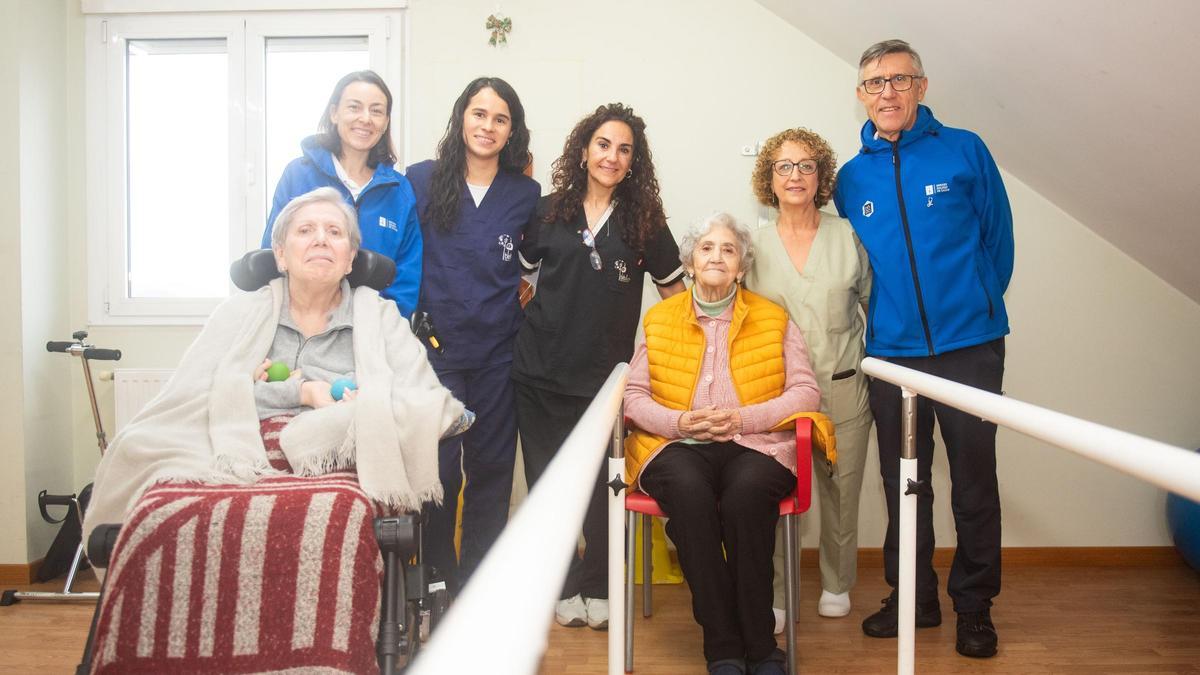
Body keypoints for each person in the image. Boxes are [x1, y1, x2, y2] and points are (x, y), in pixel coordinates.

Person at [81, 188, 466, 672]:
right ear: (280, 253)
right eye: (305, 231)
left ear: (352, 258)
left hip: (333, 460)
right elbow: (195, 393)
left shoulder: (380, 317)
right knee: (163, 506)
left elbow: (417, 397)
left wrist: (348, 401)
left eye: (335, 233)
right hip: (233, 448)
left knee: (338, 513)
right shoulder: (239, 314)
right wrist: (302, 393)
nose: (320, 241)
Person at [833, 39, 1014, 658]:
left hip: (969, 348)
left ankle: (974, 607)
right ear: (861, 95)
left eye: (899, 80)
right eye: (875, 82)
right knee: (903, 481)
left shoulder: (965, 150)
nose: (887, 91)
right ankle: (914, 597)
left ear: (922, 87)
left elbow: (997, 241)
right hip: (892, 355)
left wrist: (977, 307)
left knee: (973, 481)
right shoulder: (851, 177)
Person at [513, 103, 686, 631]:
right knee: (547, 485)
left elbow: (675, 297)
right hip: (538, 374)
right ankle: (562, 585)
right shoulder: (547, 211)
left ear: (634, 161)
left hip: (606, 381)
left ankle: (600, 586)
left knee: (601, 486)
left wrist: (658, 365)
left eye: (624, 149)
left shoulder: (645, 222)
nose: (612, 156)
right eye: (604, 144)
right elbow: (519, 283)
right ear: (585, 149)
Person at [624, 212, 820, 675]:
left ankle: (760, 646)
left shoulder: (773, 318)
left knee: (746, 500)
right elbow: (633, 396)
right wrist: (680, 422)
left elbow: (805, 391)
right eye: (707, 248)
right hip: (675, 447)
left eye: (728, 249)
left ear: (741, 266)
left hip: (756, 445)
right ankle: (723, 646)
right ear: (690, 262)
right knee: (690, 499)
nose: (717, 256)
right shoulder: (658, 318)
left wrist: (742, 418)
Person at [404, 77, 540, 594]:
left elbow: (531, 266)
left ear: (512, 131)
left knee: (492, 470)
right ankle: (438, 575)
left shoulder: (525, 194)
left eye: (500, 118)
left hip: (498, 354)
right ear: (462, 117)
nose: (488, 126)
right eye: (479, 114)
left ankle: (481, 582)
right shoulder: (420, 180)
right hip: (434, 352)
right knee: (439, 472)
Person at [743, 128, 873, 624]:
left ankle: (838, 583)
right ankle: (777, 593)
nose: (794, 175)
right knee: (771, 494)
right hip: (777, 396)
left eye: (805, 166)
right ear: (769, 178)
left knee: (843, 491)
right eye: (783, 166)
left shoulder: (848, 236)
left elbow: (873, 306)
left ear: (820, 177)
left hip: (843, 385)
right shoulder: (752, 247)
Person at [262, 70, 422, 317]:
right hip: (301, 326)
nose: (365, 119)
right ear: (334, 113)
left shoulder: (399, 191)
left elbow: (407, 275)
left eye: (376, 111)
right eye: (354, 107)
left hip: (375, 333)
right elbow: (273, 252)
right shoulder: (298, 176)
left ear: (386, 122)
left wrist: (382, 327)